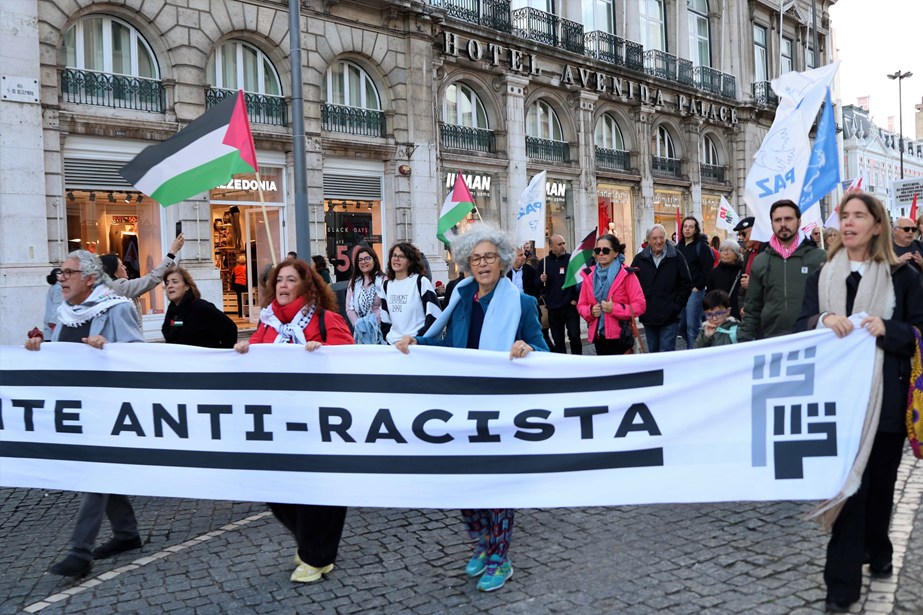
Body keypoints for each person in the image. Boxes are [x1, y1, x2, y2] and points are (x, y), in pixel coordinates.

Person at [394, 224, 548, 592]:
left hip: (502, 407)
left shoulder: (522, 303)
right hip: (462, 404)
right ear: (467, 262)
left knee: (496, 485)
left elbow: (544, 351)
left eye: (489, 257)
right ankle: (482, 541)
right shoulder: (460, 298)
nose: (482, 264)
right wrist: (418, 342)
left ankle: (499, 556)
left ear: (502, 261)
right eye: (476, 258)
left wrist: (528, 348)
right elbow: (449, 345)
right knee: (464, 482)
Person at [793, 192, 923, 613]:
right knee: (849, 491)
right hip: (835, 404)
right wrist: (821, 321)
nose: (848, 223)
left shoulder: (904, 278)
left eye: (858, 216)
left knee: (880, 489)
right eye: (844, 216)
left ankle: (879, 548)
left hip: (886, 402)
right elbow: (800, 325)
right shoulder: (823, 276)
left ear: (877, 226)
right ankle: (841, 586)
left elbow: (918, 332)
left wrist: (889, 328)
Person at [25, 250, 145, 578]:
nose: (61, 278)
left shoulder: (117, 308)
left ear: (90, 278)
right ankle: (126, 533)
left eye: (68, 272)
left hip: (109, 409)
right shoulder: (66, 311)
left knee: (94, 473)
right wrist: (38, 345)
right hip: (77, 406)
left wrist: (108, 348)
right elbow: (58, 352)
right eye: (60, 272)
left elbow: (138, 357)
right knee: (100, 472)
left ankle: (79, 552)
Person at [234, 259, 353, 583]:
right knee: (276, 489)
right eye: (279, 280)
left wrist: (324, 352)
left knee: (319, 491)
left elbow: (351, 361)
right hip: (278, 421)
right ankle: (313, 544)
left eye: (290, 280)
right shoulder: (268, 323)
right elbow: (257, 357)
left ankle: (317, 555)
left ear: (306, 286)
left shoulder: (326, 319)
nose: (283, 285)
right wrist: (244, 353)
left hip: (319, 421)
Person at [739, 200, 825, 341]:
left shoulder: (819, 257)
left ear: (799, 221)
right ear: (772, 223)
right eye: (778, 220)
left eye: (788, 219)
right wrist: (743, 340)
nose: (783, 224)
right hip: (772, 339)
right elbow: (752, 308)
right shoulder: (761, 261)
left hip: (810, 338)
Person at [577, 234, 646, 355]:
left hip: (622, 337)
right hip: (599, 337)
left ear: (616, 253)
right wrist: (591, 311)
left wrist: (614, 308)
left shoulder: (627, 275)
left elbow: (640, 305)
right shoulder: (589, 276)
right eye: (598, 250)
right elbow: (581, 305)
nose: (601, 253)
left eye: (606, 250)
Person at [630, 224, 692, 352]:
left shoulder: (676, 257)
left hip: (670, 316)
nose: (658, 241)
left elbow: (686, 284)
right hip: (648, 315)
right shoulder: (640, 259)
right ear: (648, 240)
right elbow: (632, 285)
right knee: (653, 352)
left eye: (661, 237)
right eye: (654, 238)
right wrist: (639, 307)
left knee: (666, 352)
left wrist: (676, 306)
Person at [100, 234, 185, 320]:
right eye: (121, 265)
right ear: (114, 272)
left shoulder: (108, 287)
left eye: (175, 282)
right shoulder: (119, 287)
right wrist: (172, 252)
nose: (125, 267)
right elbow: (152, 278)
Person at [379, 242, 442, 345]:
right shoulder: (386, 285)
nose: (396, 259)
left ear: (410, 262)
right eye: (394, 255)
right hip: (394, 346)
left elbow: (435, 314)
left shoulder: (421, 282)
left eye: (401, 256)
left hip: (415, 346)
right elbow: (385, 318)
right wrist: (388, 337)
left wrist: (419, 339)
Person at [161, 266, 237, 348]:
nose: (169, 286)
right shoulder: (172, 311)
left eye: (175, 282)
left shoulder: (201, 307)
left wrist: (223, 352)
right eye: (167, 283)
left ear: (186, 286)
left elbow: (229, 328)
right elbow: (177, 326)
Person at [537, 234, 582, 354]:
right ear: (551, 246)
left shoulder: (571, 259)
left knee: (574, 336)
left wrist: (576, 299)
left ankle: (578, 361)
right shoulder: (543, 263)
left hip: (570, 307)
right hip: (553, 308)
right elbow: (536, 285)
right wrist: (541, 280)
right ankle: (562, 363)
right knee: (558, 340)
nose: (562, 246)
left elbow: (581, 280)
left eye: (563, 243)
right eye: (559, 244)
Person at [675, 217, 714, 349]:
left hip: (694, 291)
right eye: (685, 226)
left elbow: (707, 270)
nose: (687, 229)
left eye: (691, 227)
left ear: (696, 229)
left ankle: (694, 353)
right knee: (681, 326)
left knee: (692, 326)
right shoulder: (678, 247)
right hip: (681, 291)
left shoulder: (702, 247)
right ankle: (694, 347)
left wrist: (698, 287)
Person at [345, 246, 385, 344]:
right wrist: (359, 325)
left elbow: (385, 305)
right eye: (360, 260)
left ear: (374, 260)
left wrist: (370, 323)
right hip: (360, 333)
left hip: (379, 330)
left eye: (367, 258)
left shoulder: (383, 280)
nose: (363, 262)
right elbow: (349, 308)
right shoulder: (354, 282)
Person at [705, 240, 744, 319]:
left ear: (736, 255)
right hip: (719, 314)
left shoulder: (742, 271)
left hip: (738, 312)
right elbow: (709, 294)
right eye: (723, 250)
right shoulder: (714, 272)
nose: (725, 253)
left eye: (730, 250)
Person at [43, 267, 64, 339]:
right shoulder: (58, 288)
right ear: (56, 276)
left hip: (50, 318)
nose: (63, 275)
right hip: (54, 320)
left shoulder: (53, 287)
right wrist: (53, 320)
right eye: (60, 273)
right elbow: (57, 304)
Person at [231, 253, 248, 318]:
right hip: (244, 284)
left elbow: (233, 277)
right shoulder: (246, 268)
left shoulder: (235, 268)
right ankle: (246, 313)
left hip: (237, 284)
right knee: (246, 298)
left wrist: (233, 286)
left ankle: (240, 313)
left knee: (239, 299)